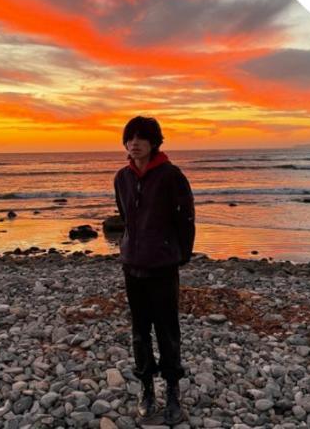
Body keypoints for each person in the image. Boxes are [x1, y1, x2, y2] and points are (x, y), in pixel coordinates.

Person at [114, 116, 195, 424]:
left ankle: (173, 390)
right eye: (129, 138)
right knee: (139, 331)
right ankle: (146, 389)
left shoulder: (171, 175)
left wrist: (180, 254)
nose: (134, 143)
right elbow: (125, 217)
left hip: (162, 266)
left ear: (154, 141)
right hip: (132, 265)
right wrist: (128, 246)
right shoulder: (121, 177)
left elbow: (186, 218)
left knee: (167, 329)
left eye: (141, 137)